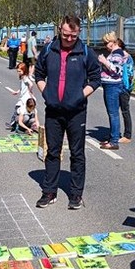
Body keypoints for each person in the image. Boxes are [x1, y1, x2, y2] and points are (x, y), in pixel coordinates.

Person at [34, 14, 101, 210]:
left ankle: (76, 194)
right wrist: (47, 93)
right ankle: (49, 191)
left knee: (77, 153)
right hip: (53, 111)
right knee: (52, 152)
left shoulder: (86, 52)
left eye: (73, 35)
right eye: (66, 35)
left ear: (78, 32)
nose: (70, 39)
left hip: (76, 112)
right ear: (59, 31)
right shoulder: (49, 50)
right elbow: (39, 74)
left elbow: (95, 79)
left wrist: (80, 96)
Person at [97, 32, 125, 150]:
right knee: (112, 113)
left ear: (112, 42)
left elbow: (116, 70)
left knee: (113, 113)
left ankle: (114, 141)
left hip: (113, 86)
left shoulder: (117, 54)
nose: (105, 45)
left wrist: (104, 62)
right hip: (110, 85)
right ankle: (112, 137)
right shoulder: (114, 53)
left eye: (106, 43)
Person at [6, 62, 35, 129]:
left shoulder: (25, 78)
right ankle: (27, 124)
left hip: (25, 97)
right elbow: (22, 87)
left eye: (19, 71)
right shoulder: (23, 77)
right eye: (17, 71)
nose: (18, 72)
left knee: (17, 109)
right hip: (25, 96)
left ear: (24, 70)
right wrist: (17, 91)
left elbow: (31, 84)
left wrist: (30, 90)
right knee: (25, 110)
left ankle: (13, 124)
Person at [117, 38, 132, 143]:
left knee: (125, 110)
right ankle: (115, 134)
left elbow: (129, 73)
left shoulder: (126, 57)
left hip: (124, 87)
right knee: (115, 111)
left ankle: (127, 135)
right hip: (118, 86)